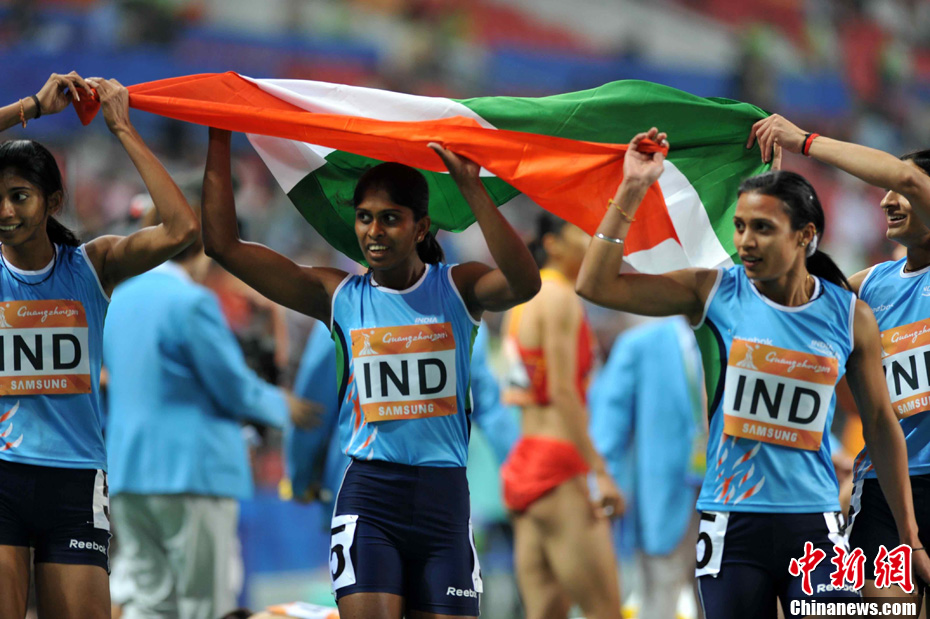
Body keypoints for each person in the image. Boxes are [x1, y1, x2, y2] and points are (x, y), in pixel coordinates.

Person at [575, 127, 930, 618]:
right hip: (732, 524)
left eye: (762, 228)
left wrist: (908, 530)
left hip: (815, 526)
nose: (744, 241)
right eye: (740, 227)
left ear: (805, 235)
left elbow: (878, 420)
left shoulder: (848, 313)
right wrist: (633, 187)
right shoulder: (716, 292)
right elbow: (595, 285)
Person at [201, 127, 540, 619]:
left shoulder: (458, 289)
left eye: (390, 218)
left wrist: (472, 188)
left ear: (421, 228)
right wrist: (219, 134)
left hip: (445, 504)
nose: (374, 231)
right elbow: (223, 246)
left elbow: (524, 282)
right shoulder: (338, 297)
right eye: (364, 217)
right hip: (370, 500)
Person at [0, 73, 200, 619]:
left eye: (19, 197)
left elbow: (182, 228)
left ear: (53, 201)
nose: (6, 212)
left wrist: (122, 128)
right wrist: (29, 108)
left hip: (75, 480)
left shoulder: (93, 265)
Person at [103, 202, 318, 619]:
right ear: (203, 248)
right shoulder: (192, 302)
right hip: (192, 472)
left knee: (148, 603)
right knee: (206, 606)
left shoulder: (118, 298)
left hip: (129, 473)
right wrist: (283, 405)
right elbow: (232, 386)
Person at [749, 114, 930, 605]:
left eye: (900, 190)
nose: (887, 199)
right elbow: (792, 307)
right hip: (887, 490)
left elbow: (909, 177)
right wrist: (771, 201)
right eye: (885, 191)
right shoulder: (867, 287)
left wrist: (804, 141)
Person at [499, 214, 624, 619]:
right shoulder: (560, 298)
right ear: (553, 244)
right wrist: (599, 471)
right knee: (605, 611)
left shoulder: (523, 300)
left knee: (544, 612)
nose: (591, 242)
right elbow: (563, 392)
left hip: (525, 461)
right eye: (581, 233)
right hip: (559, 466)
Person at [284, 321, 519, 515]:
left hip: (362, 501)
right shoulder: (463, 317)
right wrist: (521, 476)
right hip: (438, 498)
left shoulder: (342, 314)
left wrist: (300, 479)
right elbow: (492, 412)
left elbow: (312, 412)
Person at [588, 316, 705, 619]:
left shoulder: (734, 336)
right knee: (659, 600)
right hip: (662, 499)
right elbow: (608, 428)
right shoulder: (639, 345)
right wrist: (603, 481)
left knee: (722, 601)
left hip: (726, 497)